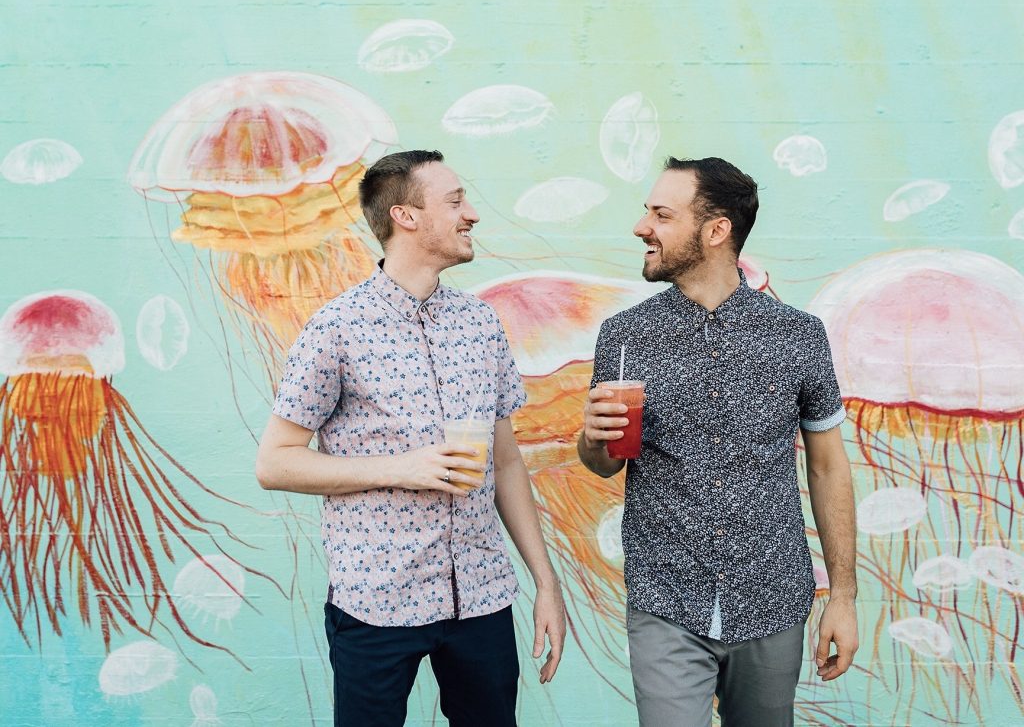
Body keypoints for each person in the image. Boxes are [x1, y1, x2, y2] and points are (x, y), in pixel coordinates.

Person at [256, 149, 565, 727]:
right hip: (376, 599)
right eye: (455, 201)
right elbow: (275, 463)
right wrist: (402, 467)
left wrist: (545, 583)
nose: (472, 213)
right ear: (406, 216)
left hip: (482, 596)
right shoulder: (336, 327)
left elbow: (506, 465)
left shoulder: (480, 323)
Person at [578, 156, 858, 727]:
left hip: (773, 598)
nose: (642, 227)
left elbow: (828, 468)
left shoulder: (798, 336)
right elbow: (604, 462)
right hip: (666, 598)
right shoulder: (625, 336)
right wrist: (592, 439)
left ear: (715, 230)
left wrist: (844, 597)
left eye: (661, 214)